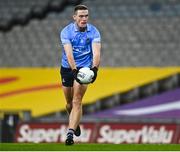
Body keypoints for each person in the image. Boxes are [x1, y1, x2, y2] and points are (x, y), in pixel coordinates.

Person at [59, 4, 101, 145]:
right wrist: (74, 70)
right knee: (69, 104)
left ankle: (70, 134)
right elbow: (69, 53)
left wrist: (94, 69)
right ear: (75, 17)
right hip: (68, 68)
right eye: (81, 16)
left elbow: (96, 53)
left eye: (86, 16)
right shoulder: (66, 32)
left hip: (84, 69)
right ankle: (74, 123)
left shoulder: (94, 32)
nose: (84, 18)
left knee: (77, 100)